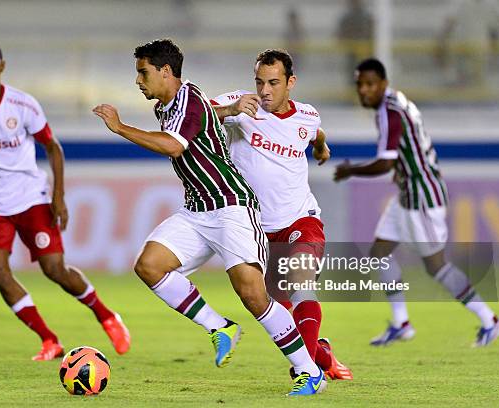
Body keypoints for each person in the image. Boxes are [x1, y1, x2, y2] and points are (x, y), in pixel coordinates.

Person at [93, 38, 326, 396]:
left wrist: (121, 128)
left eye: (143, 73)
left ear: (165, 71)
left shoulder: (187, 97)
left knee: (253, 294)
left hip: (232, 206)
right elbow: (205, 115)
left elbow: (174, 144)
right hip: (197, 209)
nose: (138, 81)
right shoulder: (168, 106)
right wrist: (231, 109)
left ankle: (308, 371)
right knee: (150, 265)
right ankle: (220, 328)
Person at [0, 41, 131, 361]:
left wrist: (59, 197)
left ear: (2, 66)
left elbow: (53, 148)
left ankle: (106, 316)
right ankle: (49, 340)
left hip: (30, 197)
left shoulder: (22, 105)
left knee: (55, 269)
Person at [333, 58, 499, 347]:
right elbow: (406, 152)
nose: (363, 90)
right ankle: (401, 323)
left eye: (369, 84)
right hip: (407, 193)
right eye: (359, 85)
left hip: (422, 198)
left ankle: (490, 319)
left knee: (436, 266)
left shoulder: (390, 113)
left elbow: (385, 164)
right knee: (379, 252)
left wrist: (351, 170)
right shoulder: (395, 103)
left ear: (383, 85)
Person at [210, 49, 352, 381]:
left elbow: (316, 132)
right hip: (257, 231)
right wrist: (229, 110)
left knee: (302, 285)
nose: (265, 91)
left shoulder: (306, 115)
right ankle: (322, 356)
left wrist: (321, 148)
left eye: (273, 83)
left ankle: (309, 370)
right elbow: (196, 115)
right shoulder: (240, 104)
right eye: (259, 82)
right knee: (276, 312)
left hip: (302, 221)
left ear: (291, 82)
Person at [437, 0, 499, 86]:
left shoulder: (463, 6)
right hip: (474, 53)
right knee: (473, 82)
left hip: (466, 52)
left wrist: (441, 47)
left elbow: (447, 28)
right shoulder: (486, 8)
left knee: (466, 81)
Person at [335, 0, 374, 85]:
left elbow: (372, 34)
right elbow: (340, 36)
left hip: (367, 55)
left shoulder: (367, 18)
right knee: (353, 80)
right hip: (352, 56)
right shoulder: (346, 18)